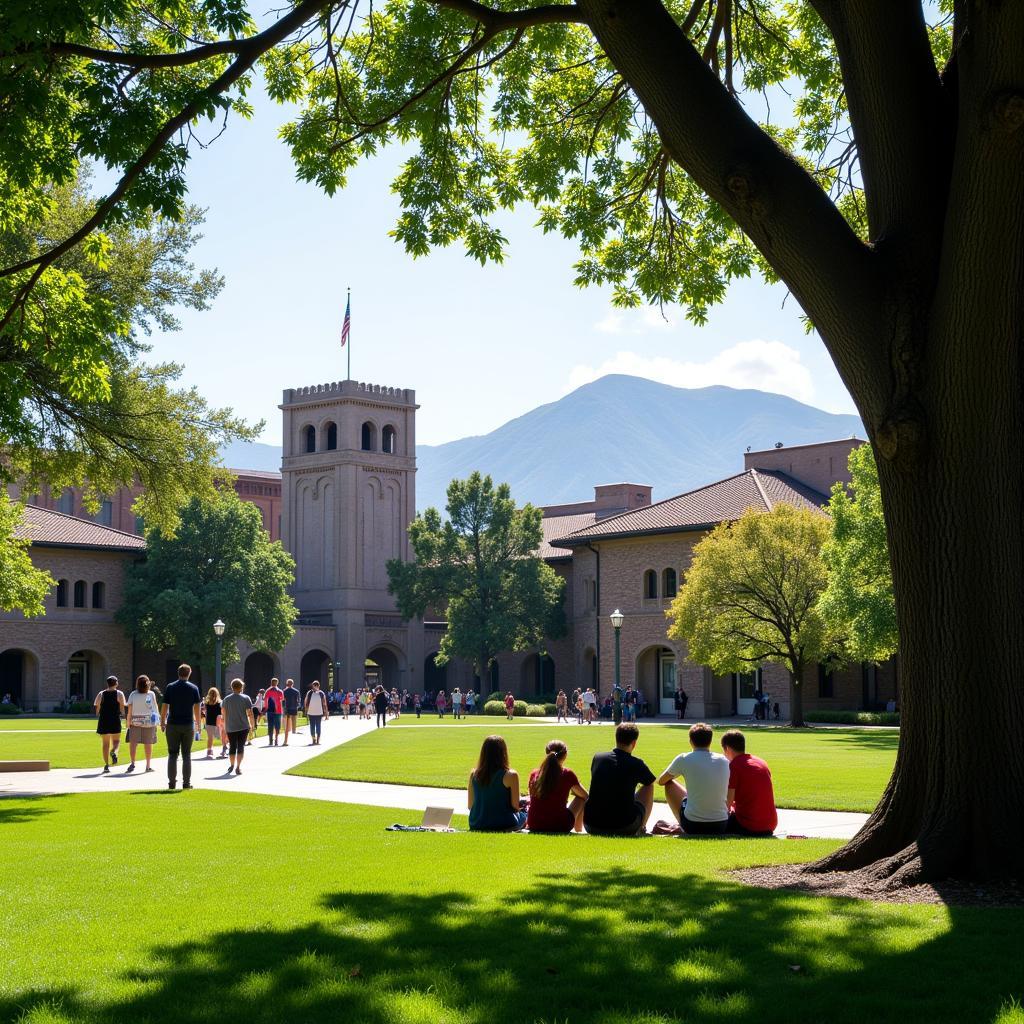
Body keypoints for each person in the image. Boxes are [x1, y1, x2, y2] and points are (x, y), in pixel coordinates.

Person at [657, 722, 730, 835]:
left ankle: (682, 825)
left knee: (669, 784)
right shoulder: (724, 760)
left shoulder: (684, 758)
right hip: (721, 823)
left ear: (691, 741)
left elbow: (662, 781)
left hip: (693, 825)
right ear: (710, 741)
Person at [583, 722, 655, 836]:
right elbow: (650, 782)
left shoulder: (598, 758)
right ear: (634, 743)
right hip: (624, 826)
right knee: (649, 786)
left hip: (591, 824)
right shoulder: (636, 764)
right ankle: (641, 828)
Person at [720, 729, 777, 836]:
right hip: (770, 824)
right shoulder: (761, 762)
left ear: (727, 748)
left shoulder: (734, 766)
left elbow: (728, 802)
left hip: (748, 825)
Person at [526, 739, 588, 833]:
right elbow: (585, 795)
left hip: (534, 823)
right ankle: (578, 830)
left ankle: (578, 830)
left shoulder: (535, 774)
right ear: (565, 755)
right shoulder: (567, 773)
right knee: (581, 798)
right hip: (559, 824)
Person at [468, 735, 527, 832]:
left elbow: (470, 805)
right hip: (503, 823)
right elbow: (515, 806)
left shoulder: (474, 775)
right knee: (525, 814)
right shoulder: (510, 775)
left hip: (477, 823)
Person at [160, 663, 202, 791]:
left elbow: (165, 706)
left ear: (178, 673)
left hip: (172, 724)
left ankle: (171, 783)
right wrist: (199, 724)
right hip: (188, 724)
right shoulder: (193, 688)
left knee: (172, 754)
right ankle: (186, 783)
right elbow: (197, 708)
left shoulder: (170, 687)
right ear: (189, 673)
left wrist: (162, 721)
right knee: (186, 755)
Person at [124, 675, 160, 773]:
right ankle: (148, 766)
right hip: (149, 723)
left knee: (133, 744)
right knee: (148, 744)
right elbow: (155, 708)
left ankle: (132, 763)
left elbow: (130, 710)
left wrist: (128, 722)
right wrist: (157, 722)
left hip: (135, 722)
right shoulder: (151, 694)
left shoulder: (133, 694)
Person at [221, 678, 255, 775]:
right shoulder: (246, 698)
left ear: (232, 687)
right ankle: (238, 767)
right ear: (241, 687)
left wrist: (225, 727)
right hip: (243, 726)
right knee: (241, 747)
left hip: (231, 727)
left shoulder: (226, 699)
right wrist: (252, 725)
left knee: (232, 746)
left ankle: (232, 765)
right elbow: (250, 713)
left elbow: (224, 714)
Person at [94, 675, 124, 773]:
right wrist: (123, 716)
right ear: (116, 683)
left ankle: (106, 765)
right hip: (115, 720)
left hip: (103, 720)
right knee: (116, 741)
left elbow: (97, 707)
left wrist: (98, 713)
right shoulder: (119, 694)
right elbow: (122, 708)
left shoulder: (101, 694)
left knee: (105, 744)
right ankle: (114, 751)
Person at [304, 680, 329, 744]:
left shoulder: (321, 693)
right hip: (311, 712)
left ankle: (317, 739)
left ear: (318, 686)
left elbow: (324, 704)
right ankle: (314, 739)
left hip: (319, 713)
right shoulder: (309, 693)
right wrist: (306, 711)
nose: (314, 687)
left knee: (317, 726)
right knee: (312, 726)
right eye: (314, 686)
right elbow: (306, 702)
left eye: (316, 686)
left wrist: (326, 714)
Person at [203, 688, 224, 758]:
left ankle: (209, 751)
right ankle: (224, 749)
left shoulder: (206, 703)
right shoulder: (220, 702)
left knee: (210, 737)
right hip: (218, 721)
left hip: (209, 721)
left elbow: (206, 713)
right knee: (222, 736)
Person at [264, 678, 284, 746]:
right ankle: (275, 740)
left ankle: (272, 740)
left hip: (272, 711)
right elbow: (282, 699)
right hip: (276, 711)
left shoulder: (268, 691)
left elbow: (265, 700)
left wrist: (266, 708)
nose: (274, 683)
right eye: (274, 682)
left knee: (272, 726)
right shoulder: (279, 691)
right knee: (276, 726)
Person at [282, 678, 301, 745]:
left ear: (287, 683)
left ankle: (287, 731)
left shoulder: (284, 691)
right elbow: (299, 700)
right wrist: (297, 706)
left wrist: (283, 707)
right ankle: (293, 730)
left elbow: (283, 700)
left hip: (287, 708)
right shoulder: (296, 691)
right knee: (294, 720)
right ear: (292, 684)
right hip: (294, 707)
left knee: (287, 721)